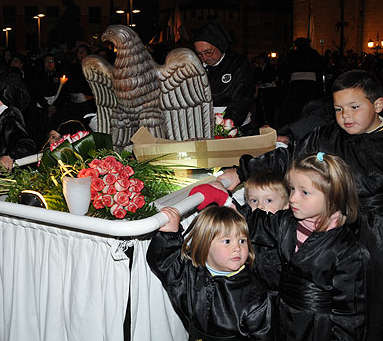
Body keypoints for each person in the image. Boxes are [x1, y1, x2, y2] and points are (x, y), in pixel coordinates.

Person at [217, 68, 383, 340]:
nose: (346, 116)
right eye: (339, 109)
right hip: (328, 229)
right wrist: (241, 171)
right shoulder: (328, 135)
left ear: (377, 104)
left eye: (354, 107)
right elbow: (289, 157)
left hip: (375, 235)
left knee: (369, 304)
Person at [232, 153, 368, 340]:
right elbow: (257, 222)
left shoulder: (348, 251)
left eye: (304, 192)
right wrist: (226, 203)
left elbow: (350, 316)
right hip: (282, 317)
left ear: (333, 196)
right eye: (292, 189)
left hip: (317, 329)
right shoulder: (287, 222)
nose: (293, 198)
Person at [146, 205, 275, 341]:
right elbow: (164, 262)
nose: (237, 248)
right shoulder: (189, 274)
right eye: (227, 241)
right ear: (205, 244)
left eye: (242, 241)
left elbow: (263, 335)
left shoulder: (254, 294)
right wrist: (170, 234)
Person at [192, 21, 255, 132]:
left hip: (232, 126)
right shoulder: (196, 67)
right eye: (200, 54)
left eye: (208, 52)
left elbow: (241, 99)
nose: (205, 58)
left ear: (219, 45)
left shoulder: (238, 64)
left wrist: (226, 125)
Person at [0, 71, 35, 174]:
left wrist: (10, 156)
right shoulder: (1, 115)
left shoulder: (10, 116)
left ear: (1, 96)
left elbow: (27, 144)